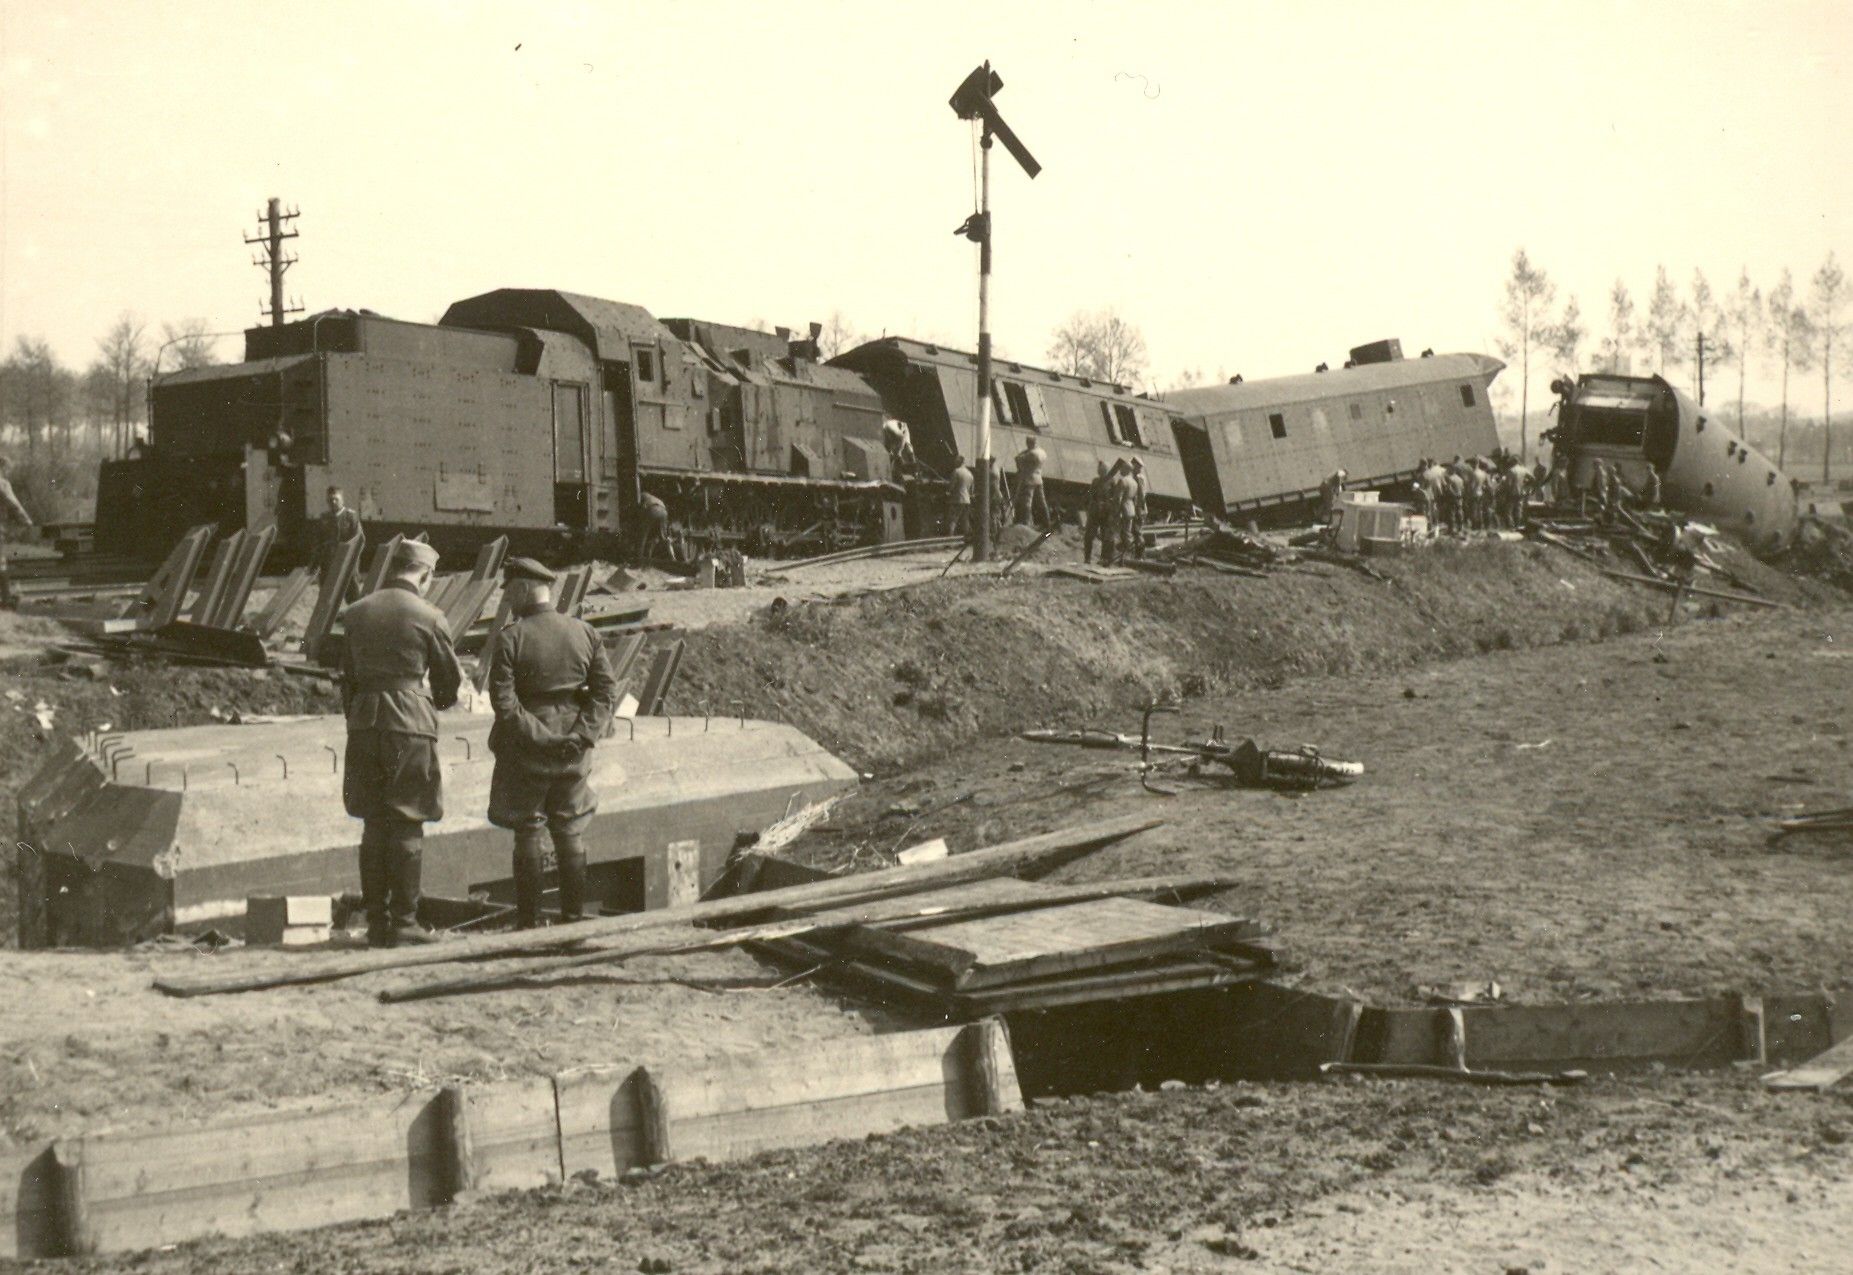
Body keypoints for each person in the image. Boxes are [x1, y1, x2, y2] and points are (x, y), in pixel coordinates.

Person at [338, 539, 463, 947]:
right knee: (408, 817)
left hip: (364, 723)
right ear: (424, 575)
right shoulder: (430, 615)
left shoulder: (356, 613)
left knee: (374, 822)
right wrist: (431, 701)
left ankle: (376, 923)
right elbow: (448, 683)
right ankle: (404, 922)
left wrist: (359, 716)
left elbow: (348, 679)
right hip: (410, 722)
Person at [486, 557, 619, 929]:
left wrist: (540, 739)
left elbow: (504, 703)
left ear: (526, 589)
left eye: (511, 591)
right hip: (573, 752)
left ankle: (528, 926)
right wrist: (582, 735)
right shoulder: (584, 632)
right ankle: (573, 923)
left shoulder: (511, 637)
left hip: (526, 750)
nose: (508, 600)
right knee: (569, 829)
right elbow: (607, 692)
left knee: (528, 829)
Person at [0, 457, 35, 610]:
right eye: (7, 469)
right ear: (2, 467)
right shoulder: (2, 483)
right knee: (1, 564)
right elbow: (14, 504)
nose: (8, 472)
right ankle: (6, 600)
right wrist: (27, 522)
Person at [322, 487, 365, 603]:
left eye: (336, 499)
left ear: (342, 500)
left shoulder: (351, 517)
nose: (333, 502)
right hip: (329, 563)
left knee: (353, 596)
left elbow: (359, 541)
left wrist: (352, 559)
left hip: (348, 563)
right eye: (330, 500)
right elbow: (318, 543)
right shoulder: (324, 518)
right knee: (327, 598)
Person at [1014, 438, 1049, 529]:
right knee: (1042, 501)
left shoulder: (1031, 454)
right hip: (1039, 479)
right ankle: (1047, 522)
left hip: (1029, 479)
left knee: (1027, 501)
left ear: (1029, 443)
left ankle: (1025, 522)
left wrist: (1022, 454)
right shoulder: (1042, 452)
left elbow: (1018, 459)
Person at [1082, 460, 1113, 564]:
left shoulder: (1112, 482)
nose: (1101, 472)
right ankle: (1087, 558)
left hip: (1106, 512)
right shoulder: (1095, 481)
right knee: (1089, 536)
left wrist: (1107, 506)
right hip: (1094, 511)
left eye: (1104, 470)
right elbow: (1091, 495)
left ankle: (1104, 558)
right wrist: (1089, 507)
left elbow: (1114, 497)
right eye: (1100, 470)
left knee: (1106, 536)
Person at [636, 491, 670, 564]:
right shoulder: (656, 499)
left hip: (653, 510)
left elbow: (642, 509)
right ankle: (650, 556)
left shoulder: (642, 496)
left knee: (643, 536)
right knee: (659, 536)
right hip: (664, 512)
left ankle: (639, 559)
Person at [948, 456, 974, 541]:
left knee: (953, 519)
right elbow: (971, 489)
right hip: (967, 500)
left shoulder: (956, 471)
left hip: (958, 499)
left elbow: (951, 486)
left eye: (956, 461)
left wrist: (948, 492)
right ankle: (968, 538)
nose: (955, 463)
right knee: (965, 519)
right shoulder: (970, 474)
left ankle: (950, 538)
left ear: (960, 462)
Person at [1129, 457, 1150, 550]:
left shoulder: (1138, 478)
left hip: (1138, 508)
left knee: (1137, 531)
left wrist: (1138, 510)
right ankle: (1138, 553)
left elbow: (1141, 495)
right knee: (1135, 531)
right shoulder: (1137, 477)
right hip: (1137, 507)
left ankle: (1140, 554)